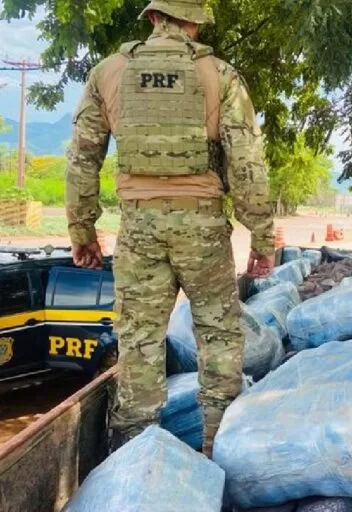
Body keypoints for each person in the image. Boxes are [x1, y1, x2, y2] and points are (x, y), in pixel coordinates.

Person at [65, 0, 275, 457]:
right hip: (203, 228)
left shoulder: (108, 73)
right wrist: (262, 237)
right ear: (196, 24)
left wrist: (82, 232)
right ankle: (218, 452)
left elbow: (82, 158)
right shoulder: (221, 76)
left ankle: (134, 462)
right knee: (218, 336)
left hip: (138, 227)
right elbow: (247, 165)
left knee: (139, 342)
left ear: (153, 18)